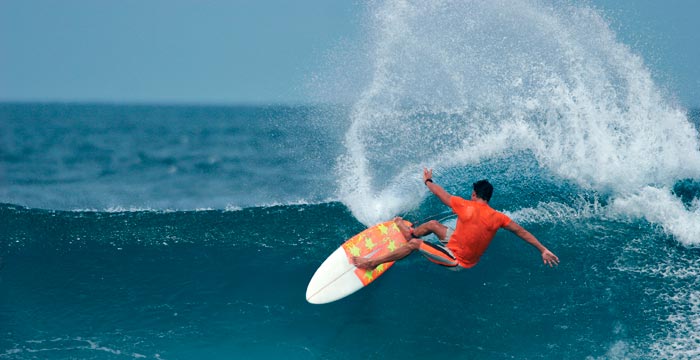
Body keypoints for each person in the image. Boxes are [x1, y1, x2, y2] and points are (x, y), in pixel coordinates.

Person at [352, 168, 559, 270]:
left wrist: (427, 180)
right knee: (433, 225)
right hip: (457, 244)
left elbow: (439, 193)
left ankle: (372, 263)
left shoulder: (466, 206)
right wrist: (543, 249)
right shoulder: (499, 217)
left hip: (457, 260)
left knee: (416, 244)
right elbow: (521, 232)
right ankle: (411, 233)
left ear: (474, 194)